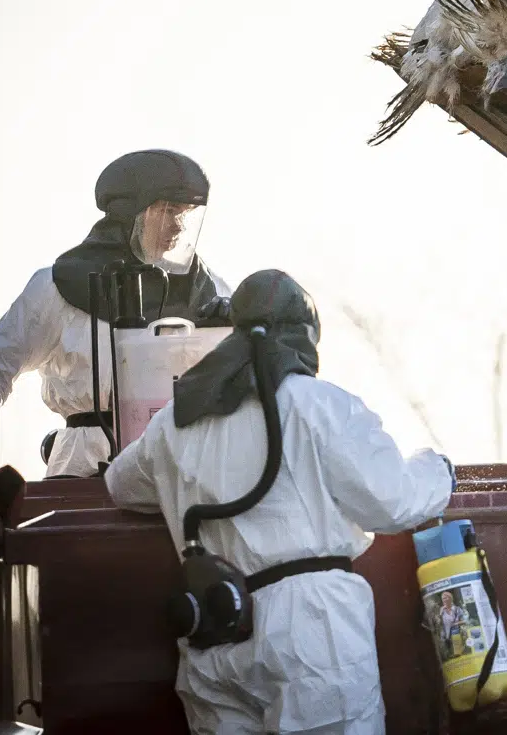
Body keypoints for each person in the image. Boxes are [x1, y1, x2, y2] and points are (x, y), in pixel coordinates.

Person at [104, 269, 456, 735]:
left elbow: (120, 485)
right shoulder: (319, 405)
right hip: (311, 631)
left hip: (214, 629)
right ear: (306, 339)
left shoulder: (175, 423)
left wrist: (186, 480)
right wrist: (437, 470)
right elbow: (392, 503)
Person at [0, 149, 231, 483]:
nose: (178, 226)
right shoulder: (57, 287)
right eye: (168, 211)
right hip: (81, 471)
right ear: (131, 212)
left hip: (183, 469)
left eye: (184, 213)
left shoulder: (212, 293)